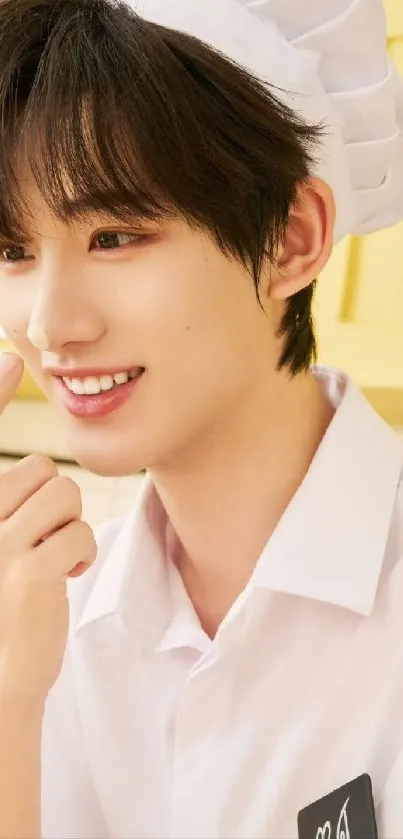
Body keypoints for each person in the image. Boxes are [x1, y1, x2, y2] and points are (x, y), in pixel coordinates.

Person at [0, 0, 402, 837]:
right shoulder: (42, 614)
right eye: (13, 251)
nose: (49, 324)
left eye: (113, 236)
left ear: (291, 239)